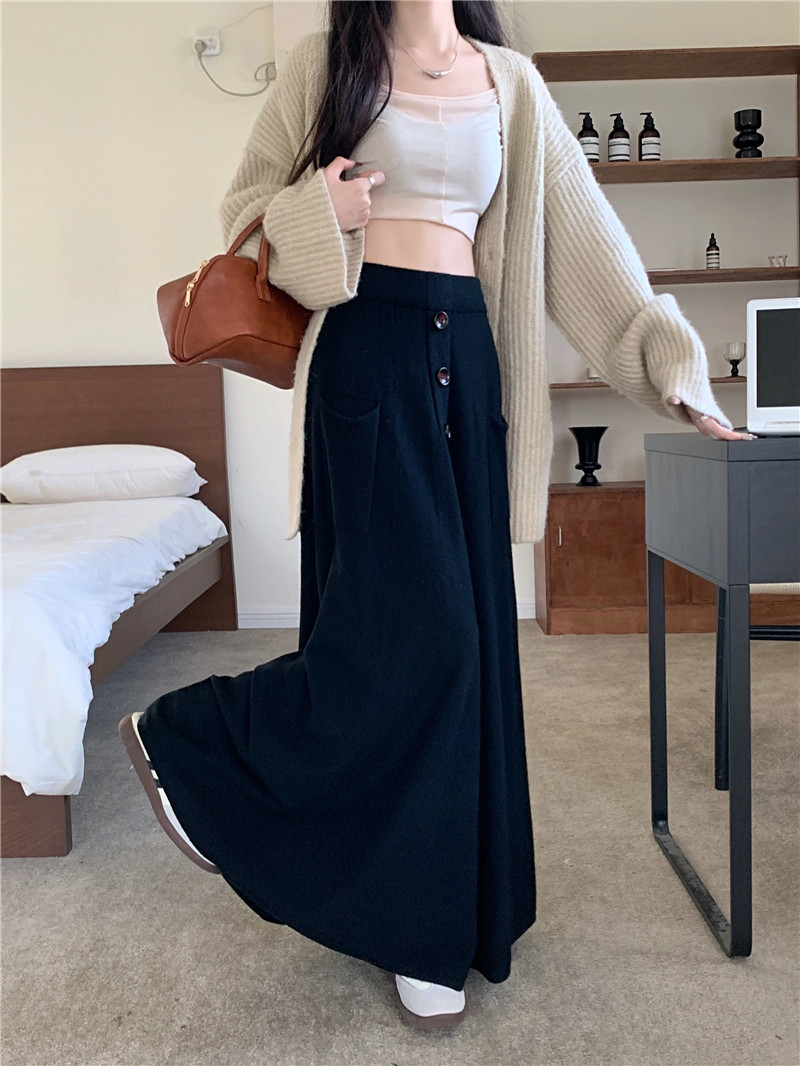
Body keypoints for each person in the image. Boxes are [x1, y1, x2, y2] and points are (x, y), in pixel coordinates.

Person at [120, 0, 751, 1034]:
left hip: (470, 364)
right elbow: (245, 217)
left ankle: (448, 914)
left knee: (472, 653)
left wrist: (680, 382)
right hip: (364, 359)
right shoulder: (326, 64)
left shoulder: (513, 86)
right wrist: (320, 209)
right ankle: (194, 739)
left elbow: (588, 248)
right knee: (418, 640)